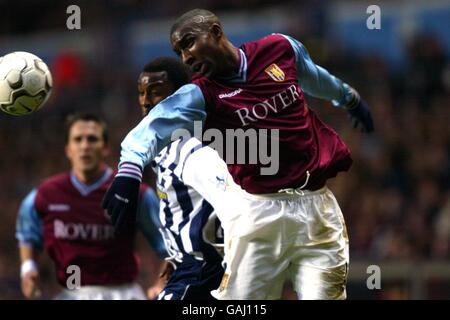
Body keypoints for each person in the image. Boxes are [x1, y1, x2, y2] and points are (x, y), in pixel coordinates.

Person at [103, 9, 374, 299]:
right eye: (180, 51)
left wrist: (348, 97)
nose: (186, 57)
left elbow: (314, 76)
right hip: (260, 214)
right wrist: (128, 175)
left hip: (318, 208)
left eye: (189, 43)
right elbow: (145, 134)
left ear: (216, 32)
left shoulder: (279, 48)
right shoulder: (200, 95)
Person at [16, 113, 166, 300]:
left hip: (123, 294)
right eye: (78, 140)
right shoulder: (45, 194)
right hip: (70, 294)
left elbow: (169, 244)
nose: (85, 146)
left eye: (92, 139)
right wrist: (28, 269)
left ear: (105, 148)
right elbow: (27, 234)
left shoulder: (134, 193)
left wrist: (161, 285)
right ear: (68, 149)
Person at [137, 57, 225, 300]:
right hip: (187, 268)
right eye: (141, 93)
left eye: (154, 92)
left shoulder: (192, 145)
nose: (145, 102)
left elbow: (235, 203)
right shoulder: (161, 145)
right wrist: (175, 257)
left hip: (204, 272)